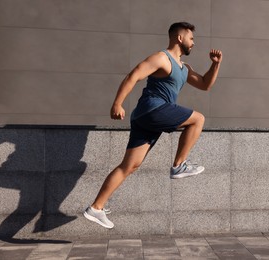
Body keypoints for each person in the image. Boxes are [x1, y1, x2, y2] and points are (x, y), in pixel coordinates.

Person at [83, 22, 222, 229]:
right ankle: (178, 166)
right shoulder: (161, 58)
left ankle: (96, 207)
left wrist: (215, 64)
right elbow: (134, 76)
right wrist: (117, 103)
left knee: (129, 166)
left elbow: (205, 85)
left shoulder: (185, 68)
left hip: (145, 119)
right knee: (198, 119)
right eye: (191, 38)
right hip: (153, 109)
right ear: (180, 38)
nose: (194, 43)